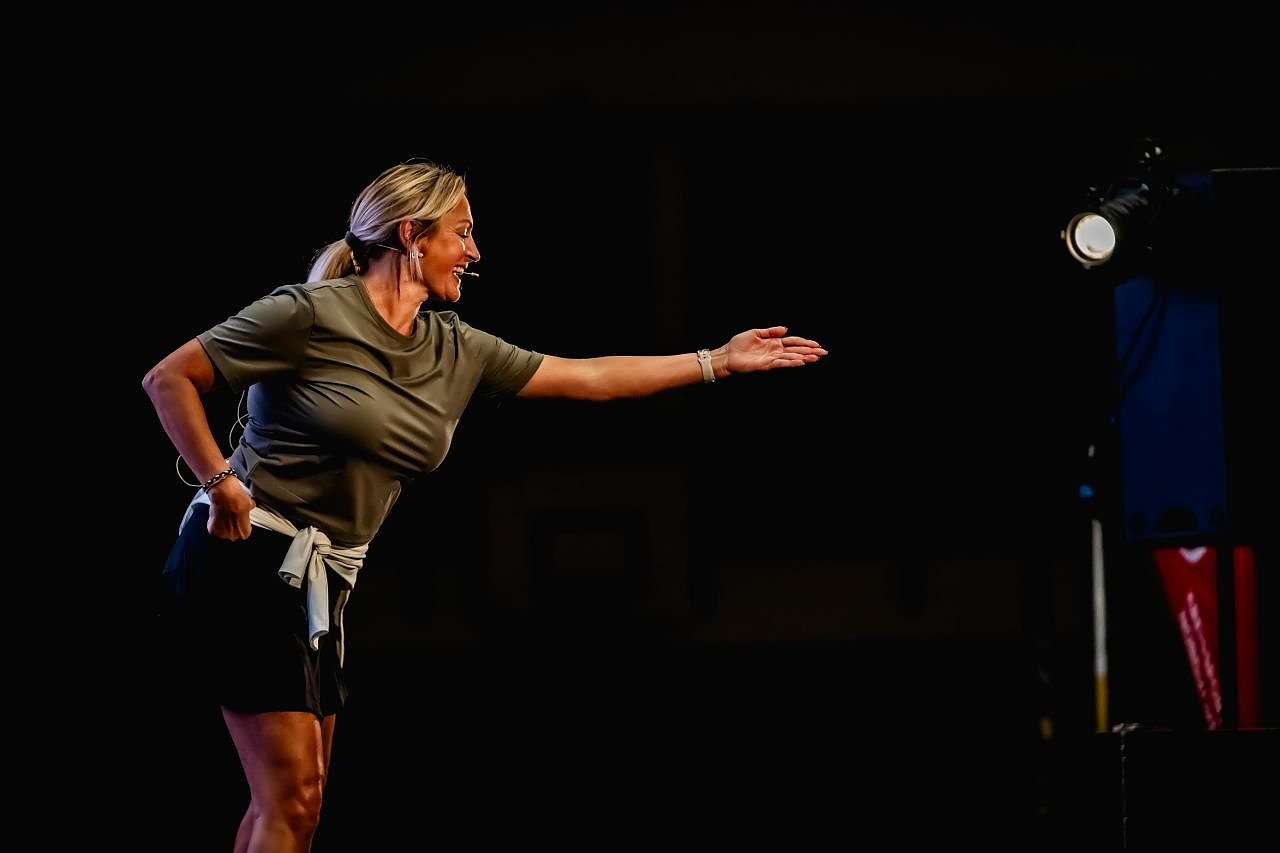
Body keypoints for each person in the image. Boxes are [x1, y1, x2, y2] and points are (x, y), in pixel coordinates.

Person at [142, 158, 826, 852]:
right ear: (411, 235)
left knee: (301, 802)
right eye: (461, 233)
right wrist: (220, 481)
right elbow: (169, 378)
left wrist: (716, 359)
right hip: (247, 556)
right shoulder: (310, 314)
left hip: (324, 581)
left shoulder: (455, 349)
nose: (474, 251)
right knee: (290, 794)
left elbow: (589, 377)